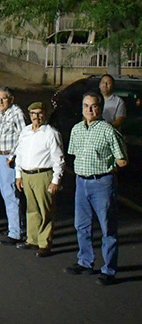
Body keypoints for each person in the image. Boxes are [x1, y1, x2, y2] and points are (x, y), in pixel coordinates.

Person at [65, 91, 127, 285]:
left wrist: (109, 171)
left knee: (107, 228)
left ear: (100, 108)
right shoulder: (77, 129)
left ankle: (109, 270)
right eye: (85, 106)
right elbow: (73, 154)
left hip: (101, 183)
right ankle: (85, 261)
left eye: (93, 106)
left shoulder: (108, 130)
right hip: (81, 183)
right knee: (81, 225)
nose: (89, 110)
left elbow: (122, 160)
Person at [13, 102, 65, 257]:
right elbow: (19, 154)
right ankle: (32, 239)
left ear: (45, 114)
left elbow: (58, 159)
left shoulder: (51, 133)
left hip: (43, 175)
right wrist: (18, 175)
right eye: (33, 114)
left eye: (39, 113)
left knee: (45, 210)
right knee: (31, 209)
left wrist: (56, 180)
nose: (36, 117)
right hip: (27, 175)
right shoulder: (26, 131)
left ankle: (44, 243)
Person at [0, 87, 28, 245]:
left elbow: (23, 136)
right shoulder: (2, 113)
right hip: (1, 155)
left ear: (11, 99)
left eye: (4, 98)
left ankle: (16, 233)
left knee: (11, 194)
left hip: (9, 157)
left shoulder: (16, 112)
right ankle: (14, 226)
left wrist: (12, 156)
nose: (0, 102)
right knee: (5, 193)